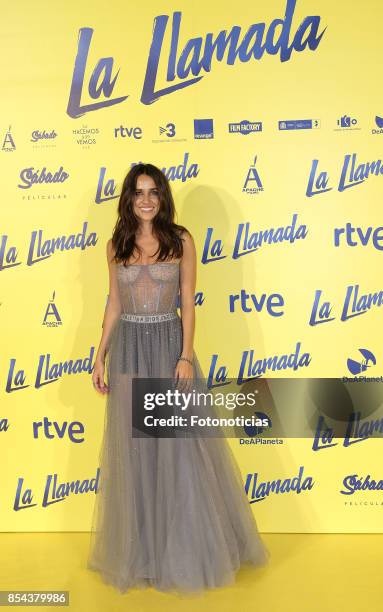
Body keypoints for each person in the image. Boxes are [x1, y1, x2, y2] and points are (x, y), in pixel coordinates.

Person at [87, 162, 270, 595]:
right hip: (130, 348)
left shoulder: (181, 239)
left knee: (178, 452)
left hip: (169, 347)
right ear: (129, 199)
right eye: (138, 192)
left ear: (163, 198)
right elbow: (114, 303)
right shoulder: (116, 244)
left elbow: (188, 302)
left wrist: (185, 355)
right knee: (136, 453)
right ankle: (144, 552)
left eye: (153, 192)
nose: (146, 200)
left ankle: (184, 552)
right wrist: (99, 356)